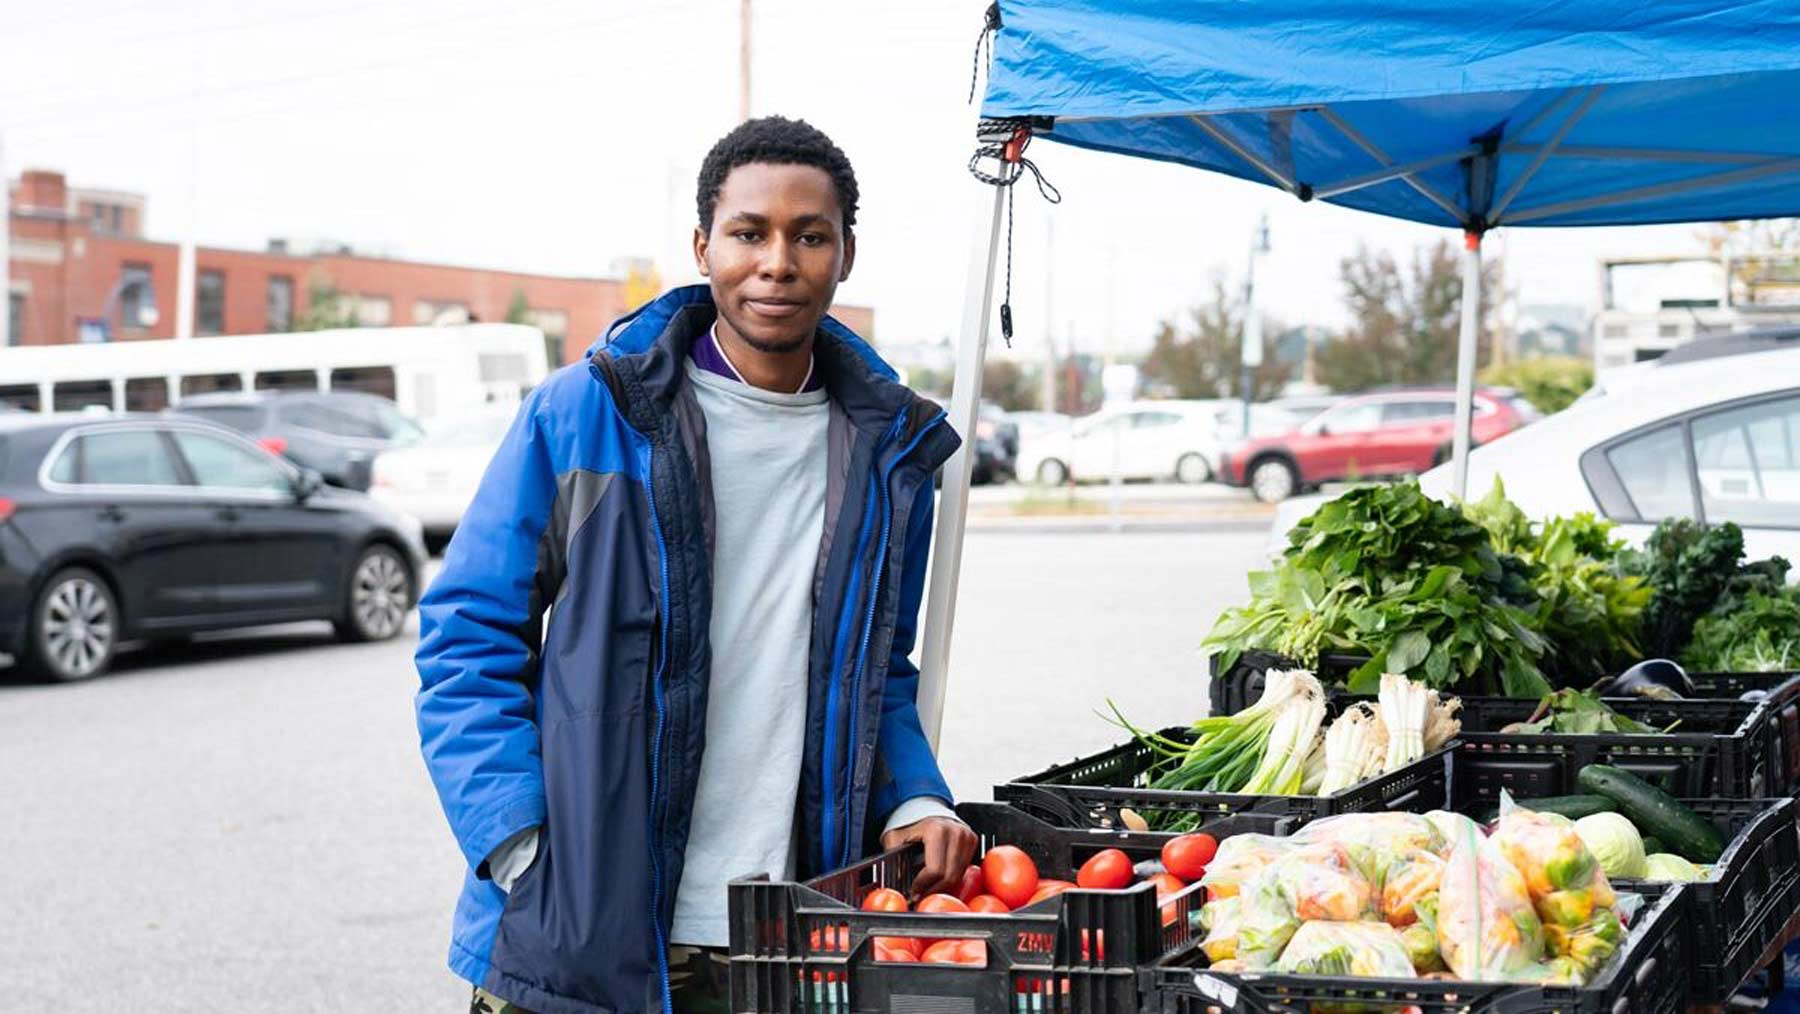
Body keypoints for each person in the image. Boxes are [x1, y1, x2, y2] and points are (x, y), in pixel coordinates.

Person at [415, 115, 977, 1014]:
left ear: (847, 253)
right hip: (589, 926)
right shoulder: (589, 414)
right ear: (702, 245)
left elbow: (881, 674)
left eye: (810, 235)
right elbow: (466, 640)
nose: (778, 263)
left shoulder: (889, 455)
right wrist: (521, 845)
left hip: (786, 934)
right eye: (749, 233)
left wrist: (914, 797)